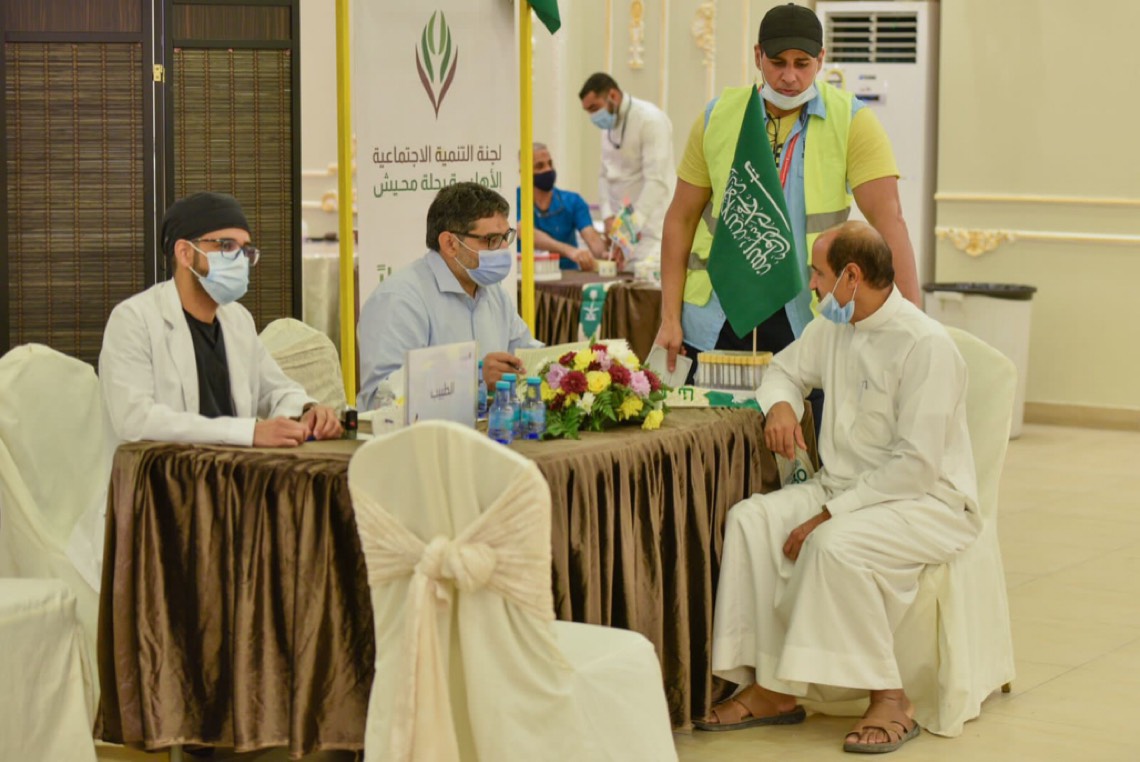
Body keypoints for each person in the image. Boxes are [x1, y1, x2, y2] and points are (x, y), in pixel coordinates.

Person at [697, 222, 979, 754]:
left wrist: (829, 515)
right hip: (839, 486)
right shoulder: (832, 327)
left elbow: (916, 467)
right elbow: (782, 371)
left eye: (819, 275)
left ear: (852, 276)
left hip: (924, 502)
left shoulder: (925, 345)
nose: (812, 286)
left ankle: (891, 698)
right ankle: (773, 688)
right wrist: (782, 406)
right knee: (749, 520)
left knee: (832, 545)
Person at [653, 3, 921, 403]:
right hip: (715, 313)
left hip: (808, 316)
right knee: (710, 433)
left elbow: (890, 222)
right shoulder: (717, 116)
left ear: (821, 59)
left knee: (805, 432)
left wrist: (914, 326)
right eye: (778, 62)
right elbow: (680, 218)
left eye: (802, 63)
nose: (790, 76)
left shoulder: (851, 120)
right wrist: (669, 317)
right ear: (757, 55)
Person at [99, 191, 343, 447]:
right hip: (162, 470)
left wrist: (308, 410)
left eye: (245, 250)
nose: (240, 260)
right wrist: (248, 432)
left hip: (233, 469)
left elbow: (275, 390)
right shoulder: (134, 320)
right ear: (185, 253)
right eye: (226, 246)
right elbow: (135, 419)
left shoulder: (238, 319)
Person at [357, 182, 542, 411]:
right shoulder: (398, 300)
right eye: (492, 240)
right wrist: (473, 378)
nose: (504, 248)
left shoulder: (492, 291)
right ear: (450, 244)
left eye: (506, 237)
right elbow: (380, 399)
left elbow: (526, 355)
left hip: (487, 428)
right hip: (421, 434)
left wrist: (562, 365)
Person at [579, 72, 676, 266]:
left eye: (594, 108)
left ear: (613, 96)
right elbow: (604, 175)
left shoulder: (650, 120)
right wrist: (607, 215)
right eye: (588, 111)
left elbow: (656, 182)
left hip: (653, 232)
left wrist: (631, 227)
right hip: (622, 237)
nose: (593, 117)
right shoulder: (609, 126)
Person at [525, 142, 609, 272]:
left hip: (569, 276)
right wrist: (570, 251)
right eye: (540, 166)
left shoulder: (573, 201)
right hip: (529, 275)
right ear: (524, 172)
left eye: (550, 163)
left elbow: (590, 235)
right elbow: (526, 232)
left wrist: (606, 254)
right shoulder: (515, 200)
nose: (548, 169)